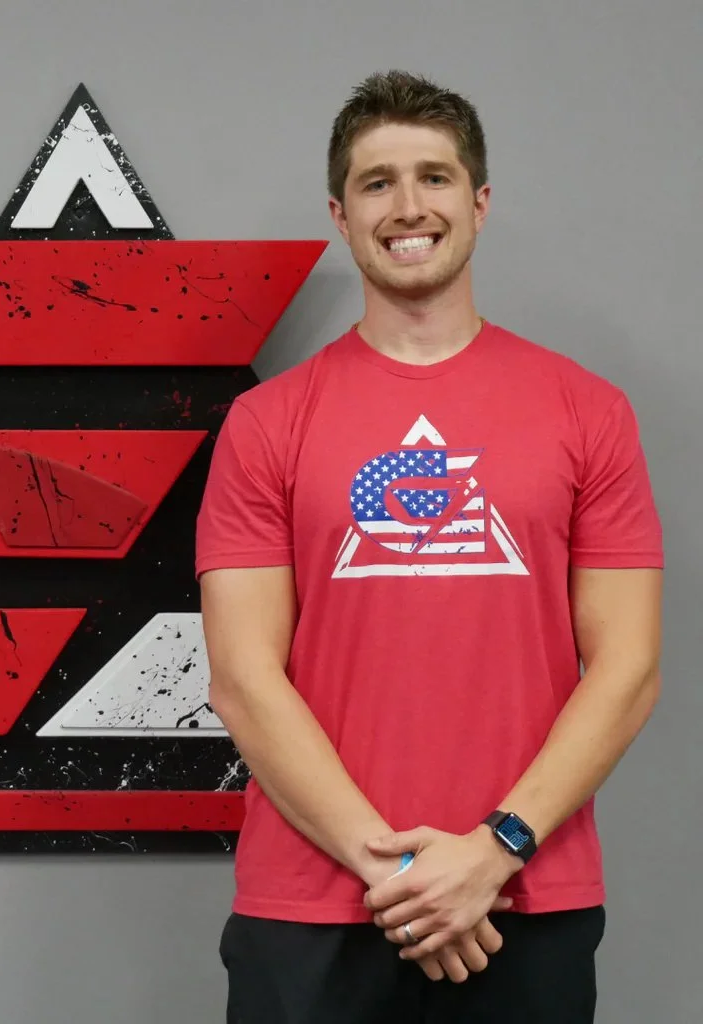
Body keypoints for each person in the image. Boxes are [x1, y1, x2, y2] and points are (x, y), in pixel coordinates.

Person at [195, 69, 664, 1024]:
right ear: (339, 211)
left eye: (436, 178)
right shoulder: (267, 422)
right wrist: (403, 874)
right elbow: (244, 677)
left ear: (480, 201)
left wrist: (493, 849)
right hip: (315, 903)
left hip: (521, 895)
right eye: (378, 183)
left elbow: (628, 666)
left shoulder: (588, 411)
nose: (409, 207)